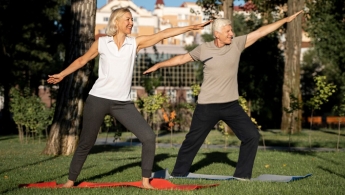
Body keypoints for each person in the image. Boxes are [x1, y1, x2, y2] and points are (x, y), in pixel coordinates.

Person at [47, 7, 211, 188]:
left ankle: (145, 182)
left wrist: (190, 27)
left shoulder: (135, 44)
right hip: (98, 99)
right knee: (86, 142)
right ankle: (70, 181)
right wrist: (62, 75)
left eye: (132, 19)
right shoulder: (102, 43)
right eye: (127, 19)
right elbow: (81, 61)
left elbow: (163, 34)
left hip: (122, 103)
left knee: (148, 137)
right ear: (116, 22)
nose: (131, 23)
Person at [143, 10, 303, 180]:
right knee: (192, 141)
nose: (232, 34)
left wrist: (285, 20)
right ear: (217, 34)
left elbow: (260, 32)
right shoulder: (204, 49)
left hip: (230, 105)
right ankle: (178, 173)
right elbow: (182, 58)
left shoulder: (236, 44)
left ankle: (242, 176)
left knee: (251, 136)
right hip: (207, 105)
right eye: (228, 31)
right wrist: (159, 65)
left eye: (232, 31)